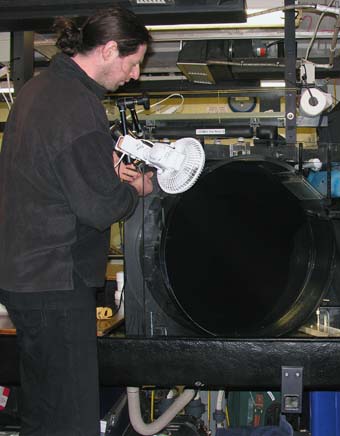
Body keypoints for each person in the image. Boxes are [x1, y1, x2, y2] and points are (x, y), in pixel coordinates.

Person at [0, 7, 153, 436]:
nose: (136, 73)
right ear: (107, 50)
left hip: (25, 277)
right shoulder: (77, 105)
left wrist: (102, 173)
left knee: (44, 412)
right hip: (55, 281)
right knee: (71, 421)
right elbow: (100, 208)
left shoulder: (39, 90)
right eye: (132, 60)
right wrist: (135, 189)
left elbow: (53, 176)